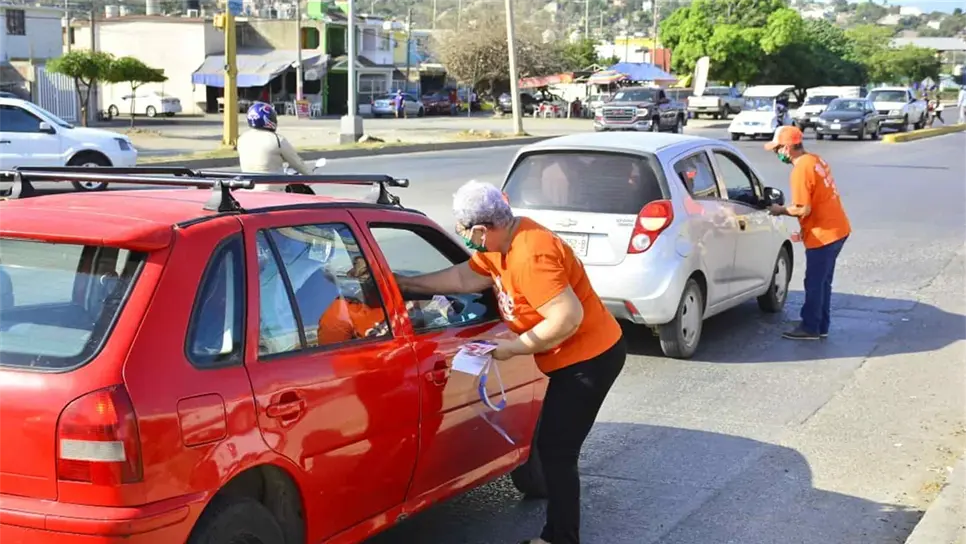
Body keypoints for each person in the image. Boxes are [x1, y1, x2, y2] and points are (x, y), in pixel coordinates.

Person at [394, 180, 626, 544]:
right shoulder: (499, 244)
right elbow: (464, 276)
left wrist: (513, 348)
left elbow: (567, 318)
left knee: (556, 450)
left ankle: (560, 538)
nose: (465, 238)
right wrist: (407, 286)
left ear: (483, 230)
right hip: (570, 359)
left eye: (465, 231)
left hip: (588, 360)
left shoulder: (531, 255)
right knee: (554, 448)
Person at [765, 126, 851, 340]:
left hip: (824, 234)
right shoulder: (815, 160)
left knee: (814, 282)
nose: (777, 154)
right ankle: (820, 324)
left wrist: (780, 210)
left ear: (787, 148)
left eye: (777, 150)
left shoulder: (801, 169)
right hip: (837, 228)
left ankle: (810, 327)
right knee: (823, 281)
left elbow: (803, 208)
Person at [237, 102, 313, 191]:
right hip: (272, 191)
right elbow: (297, 163)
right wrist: (311, 176)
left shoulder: (242, 139)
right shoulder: (277, 140)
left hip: (248, 189)